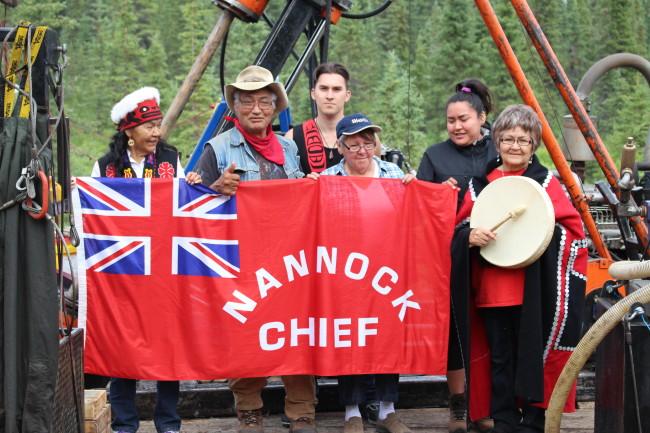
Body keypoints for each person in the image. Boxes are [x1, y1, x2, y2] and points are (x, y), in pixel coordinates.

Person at [193, 65, 316, 433]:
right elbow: (197, 209)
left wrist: (310, 187)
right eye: (247, 101)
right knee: (246, 332)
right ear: (235, 106)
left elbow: (307, 199)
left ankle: (302, 410)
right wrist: (216, 188)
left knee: (296, 331)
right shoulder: (216, 148)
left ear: (276, 106)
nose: (257, 109)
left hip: (291, 260)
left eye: (265, 101)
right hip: (242, 261)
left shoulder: (291, 148)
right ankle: (249, 410)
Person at [451, 104, 587, 433]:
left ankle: (534, 420)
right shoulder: (480, 185)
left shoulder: (545, 184)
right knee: (499, 358)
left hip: (535, 289)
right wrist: (470, 236)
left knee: (533, 356)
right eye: (508, 139)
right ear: (496, 142)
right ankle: (504, 421)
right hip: (492, 289)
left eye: (523, 140)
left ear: (534, 145)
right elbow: (456, 231)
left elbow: (574, 233)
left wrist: (541, 233)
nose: (515, 146)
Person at [94, 86, 201, 433]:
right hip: (123, 272)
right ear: (128, 130)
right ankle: (124, 423)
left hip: (163, 269)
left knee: (166, 344)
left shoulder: (170, 160)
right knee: (121, 346)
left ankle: (168, 421)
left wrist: (195, 183)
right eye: (149, 126)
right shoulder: (106, 166)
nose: (157, 132)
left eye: (158, 125)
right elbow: (95, 212)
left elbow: (185, 204)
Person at [307, 113, 414, 433]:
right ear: (340, 147)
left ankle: (387, 410)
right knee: (349, 336)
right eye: (353, 145)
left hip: (387, 269)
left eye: (368, 143)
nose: (362, 151)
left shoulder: (393, 173)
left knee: (388, 336)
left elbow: (415, 212)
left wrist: (415, 187)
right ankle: (352, 411)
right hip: (346, 271)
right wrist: (306, 190)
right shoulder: (327, 177)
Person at [416, 79, 496, 433]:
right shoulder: (435, 156)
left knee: (492, 330)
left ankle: (489, 404)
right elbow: (419, 211)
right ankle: (459, 404)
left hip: (498, 257)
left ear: (481, 117)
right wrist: (434, 193)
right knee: (456, 333)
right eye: (451, 121)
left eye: (464, 119)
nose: (457, 126)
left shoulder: (500, 150)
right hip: (453, 259)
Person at [285, 62, 351, 173]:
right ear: (313, 93)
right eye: (323, 88)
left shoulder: (364, 137)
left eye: (336, 89)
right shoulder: (293, 138)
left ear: (347, 95)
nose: (329, 96)